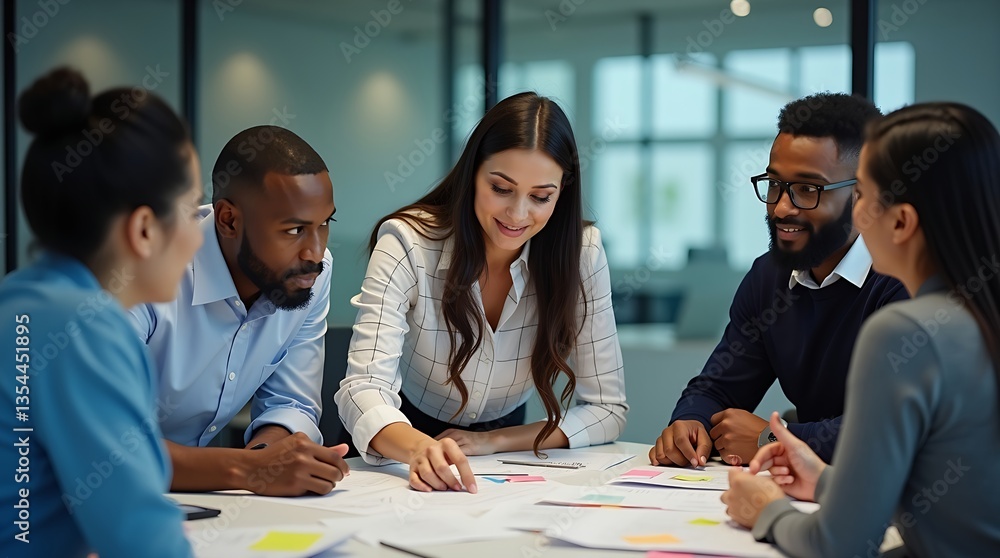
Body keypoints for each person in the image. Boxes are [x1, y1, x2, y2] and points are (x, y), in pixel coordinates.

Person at [722, 102, 1000, 557]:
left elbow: (841, 545)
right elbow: (962, 507)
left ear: (901, 221)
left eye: (864, 195)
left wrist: (767, 509)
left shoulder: (903, 329)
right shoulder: (977, 314)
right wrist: (830, 482)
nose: (856, 211)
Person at [336, 92, 627, 493]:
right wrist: (420, 448)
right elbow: (362, 388)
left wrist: (493, 442)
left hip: (509, 449)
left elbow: (607, 409)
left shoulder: (583, 252)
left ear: (561, 194)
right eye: (501, 188)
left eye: (541, 197)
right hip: (398, 438)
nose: (518, 214)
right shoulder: (407, 241)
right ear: (473, 173)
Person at [0, 68, 198, 556]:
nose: (200, 236)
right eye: (194, 211)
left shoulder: (21, 299)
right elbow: (143, 542)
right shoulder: (84, 327)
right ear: (145, 230)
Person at [650, 93, 907, 468]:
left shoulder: (902, 283)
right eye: (774, 184)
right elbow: (718, 387)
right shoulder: (768, 277)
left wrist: (771, 439)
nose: (782, 207)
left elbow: (888, 430)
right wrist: (691, 422)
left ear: (861, 194)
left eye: (807, 189)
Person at [128, 126, 349, 496]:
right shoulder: (143, 273)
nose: (314, 252)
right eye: (294, 230)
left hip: (190, 501)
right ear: (229, 220)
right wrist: (249, 470)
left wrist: (269, 457)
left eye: (324, 224)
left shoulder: (309, 274)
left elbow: (290, 402)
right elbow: (106, 446)